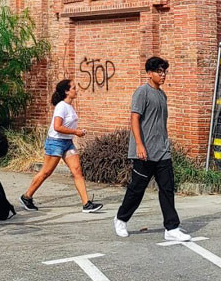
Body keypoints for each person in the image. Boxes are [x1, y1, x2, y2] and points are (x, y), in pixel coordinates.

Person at [113, 56, 190, 241]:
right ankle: (121, 218)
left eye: (164, 72)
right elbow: (134, 119)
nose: (162, 75)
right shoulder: (142, 92)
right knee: (137, 189)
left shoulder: (162, 95)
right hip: (144, 151)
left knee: (167, 188)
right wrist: (139, 145)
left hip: (162, 150)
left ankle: (171, 228)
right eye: (159, 72)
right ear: (149, 73)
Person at [19, 79, 103, 213]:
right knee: (46, 172)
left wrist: (76, 132)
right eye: (74, 88)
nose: (77, 90)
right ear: (66, 91)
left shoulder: (69, 106)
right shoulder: (61, 106)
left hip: (67, 143)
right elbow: (57, 127)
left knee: (77, 171)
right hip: (56, 142)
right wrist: (76, 132)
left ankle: (86, 204)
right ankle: (26, 196)